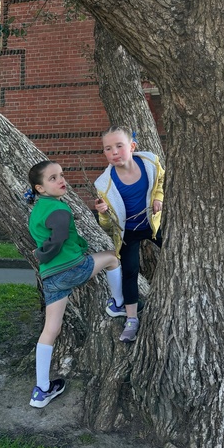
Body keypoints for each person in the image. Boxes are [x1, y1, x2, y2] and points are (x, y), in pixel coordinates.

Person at [26, 160, 124, 408]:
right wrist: (42, 254)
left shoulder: (37, 210)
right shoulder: (59, 209)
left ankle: (41, 390)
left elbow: (48, 238)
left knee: (51, 329)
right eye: (53, 178)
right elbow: (58, 239)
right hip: (72, 268)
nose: (61, 180)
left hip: (51, 277)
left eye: (61, 175)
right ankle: (118, 304)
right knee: (113, 258)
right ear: (40, 188)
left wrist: (42, 256)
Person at [94, 125, 164, 343]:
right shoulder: (104, 184)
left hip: (153, 224)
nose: (114, 152)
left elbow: (161, 181)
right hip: (128, 232)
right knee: (130, 272)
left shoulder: (150, 163)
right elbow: (108, 225)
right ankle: (131, 318)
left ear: (132, 146)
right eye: (108, 149)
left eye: (119, 146)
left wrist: (158, 198)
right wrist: (103, 213)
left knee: (176, 252)